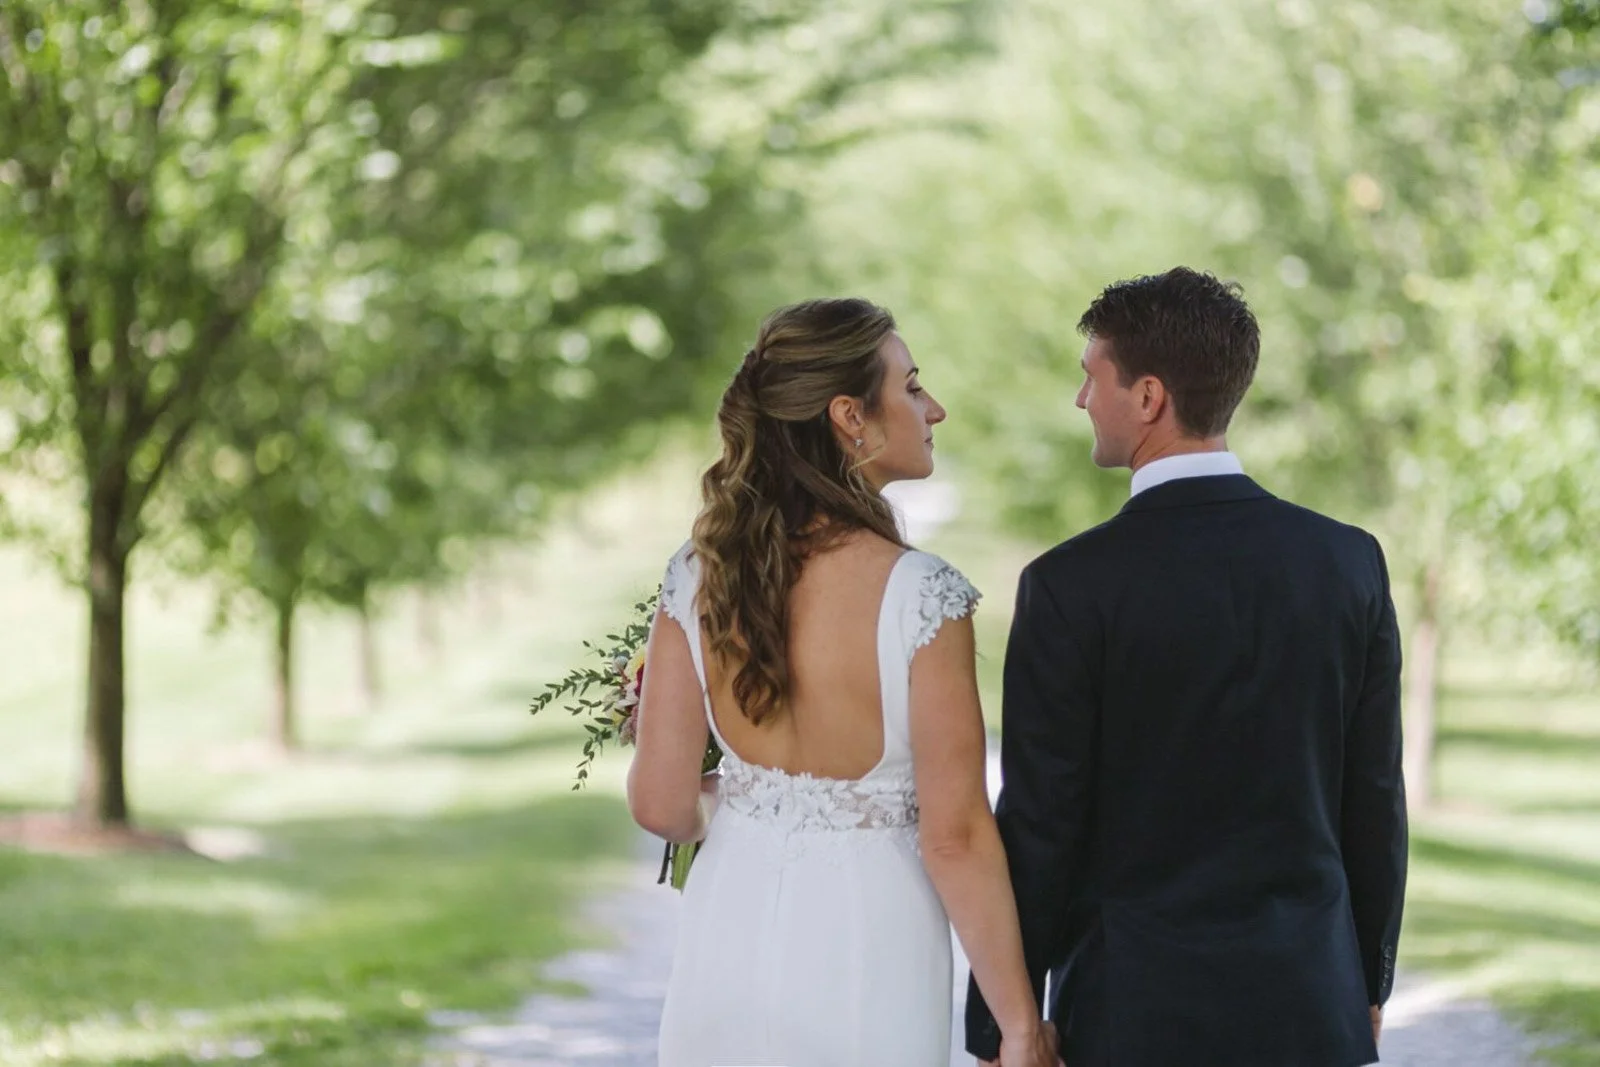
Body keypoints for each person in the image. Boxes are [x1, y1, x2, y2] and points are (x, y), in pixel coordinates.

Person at [965, 267, 1409, 1067]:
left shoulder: (1069, 585)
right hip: (1310, 1002)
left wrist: (1009, 1022)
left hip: (1133, 1012)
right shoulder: (1348, 563)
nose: (1079, 401)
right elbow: (1373, 794)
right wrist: (1367, 982)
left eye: (1089, 377)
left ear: (1148, 397)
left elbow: (1042, 821)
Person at [627, 298, 1059, 1067]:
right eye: (913, 387)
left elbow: (663, 805)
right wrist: (1021, 1025)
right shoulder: (923, 595)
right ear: (849, 415)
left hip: (727, 936)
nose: (936, 409)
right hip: (869, 943)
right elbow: (955, 837)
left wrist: (746, 798)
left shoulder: (699, 576)